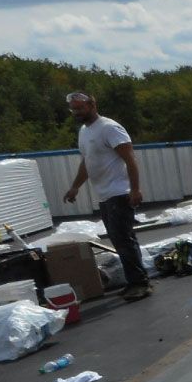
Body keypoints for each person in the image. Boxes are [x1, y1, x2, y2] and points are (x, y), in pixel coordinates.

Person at [62, 92, 152, 301]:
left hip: (119, 192)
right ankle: (133, 281)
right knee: (119, 240)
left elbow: (130, 159)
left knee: (124, 239)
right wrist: (75, 187)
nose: (76, 112)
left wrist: (135, 189)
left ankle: (140, 283)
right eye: (73, 109)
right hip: (104, 195)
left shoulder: (109, 128)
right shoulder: (84, 131)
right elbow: (87, 162)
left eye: (80, 108)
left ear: (92, 105)